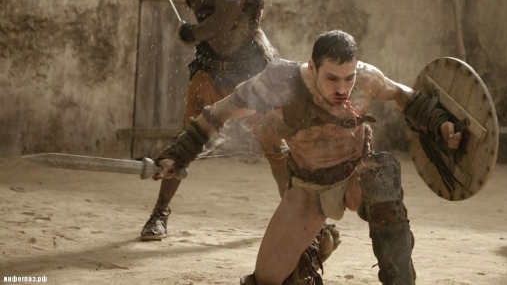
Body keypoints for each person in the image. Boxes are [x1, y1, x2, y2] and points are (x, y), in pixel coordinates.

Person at [153, 30, 464, 284]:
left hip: (356, 174)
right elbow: (218, 113)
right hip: (309, 187)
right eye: (332, 78)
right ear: (312, 68)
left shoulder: (367, 79)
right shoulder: (278, 85)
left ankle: (399, 276)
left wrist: (440, 124)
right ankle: (314, 250)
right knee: (268, 279)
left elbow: (404, 96)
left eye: (348, 78)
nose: (342, 88)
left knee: (382, 174)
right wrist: (179, 154)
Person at [140, 0, 283, 241]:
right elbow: (211, 28)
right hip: (211, 66)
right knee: (186, 140)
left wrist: (190, 33)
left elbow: (221, 22)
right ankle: (159, 214)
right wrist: (197, 35)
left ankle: (296, 217)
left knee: (276, 147)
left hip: (251, 69)